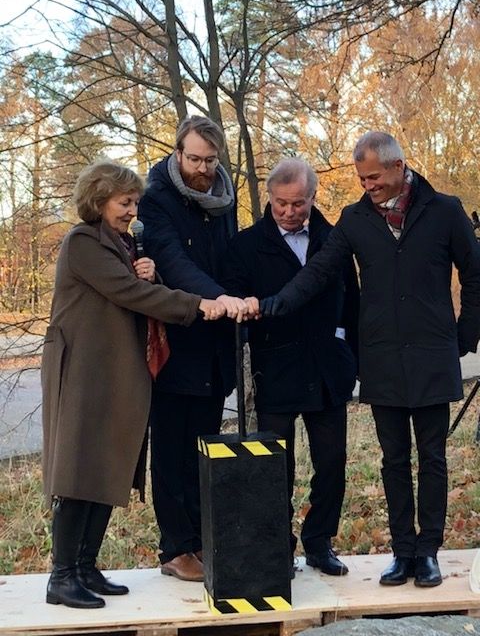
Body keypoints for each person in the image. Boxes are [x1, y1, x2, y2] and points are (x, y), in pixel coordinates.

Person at [260, 132, 480, 587]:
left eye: (374, 177)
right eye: (361, 178)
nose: (367, 185)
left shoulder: (445, 211)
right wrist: (279, 301)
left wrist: (465, 334)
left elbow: (475, 274)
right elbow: (320, 270)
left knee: (433, 457)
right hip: (380, 358)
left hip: (432, 354)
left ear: (400, 167)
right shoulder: (355, 219)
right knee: (393, 458)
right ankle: (402, 553)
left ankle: (429, 551)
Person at [42, 159, 227, 609]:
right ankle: (62, 576)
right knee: (79, 470)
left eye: (135, 202)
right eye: (125, 203)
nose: (132, 211)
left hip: (113, 373)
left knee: (109, 467)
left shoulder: (122, 243)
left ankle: (86, 567)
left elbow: (140, 286)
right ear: (99, 201)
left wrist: (152, 272)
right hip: (82, 373)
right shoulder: (83, 243)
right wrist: (198, 304)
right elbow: (132, 296)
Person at [222, 158, 359, 577]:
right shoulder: (246, 245)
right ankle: (276, 546)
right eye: (280, 203)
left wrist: (351, 356)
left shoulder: (334, 239)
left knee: (332, 464)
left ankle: (320, 541)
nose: (288, 212)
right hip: (275, 371)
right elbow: (235, 305)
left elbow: (351, 301)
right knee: (274, 468)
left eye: (297, 203)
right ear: (269, 198)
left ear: (313, 198)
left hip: (327, 371)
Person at [138, 116, 251, 582]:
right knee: (170, 450)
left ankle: (202, 540)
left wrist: (245, 296)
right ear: (177, 152)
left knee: (203, 448)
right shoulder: (156, 198)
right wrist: (216, 299)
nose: (202, 169)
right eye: (194, 159)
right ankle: (175, 548)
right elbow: (173, 262)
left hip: (215, 344)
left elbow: (231, 257)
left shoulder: (223, 197)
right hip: (174, 343)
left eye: (210, 160)